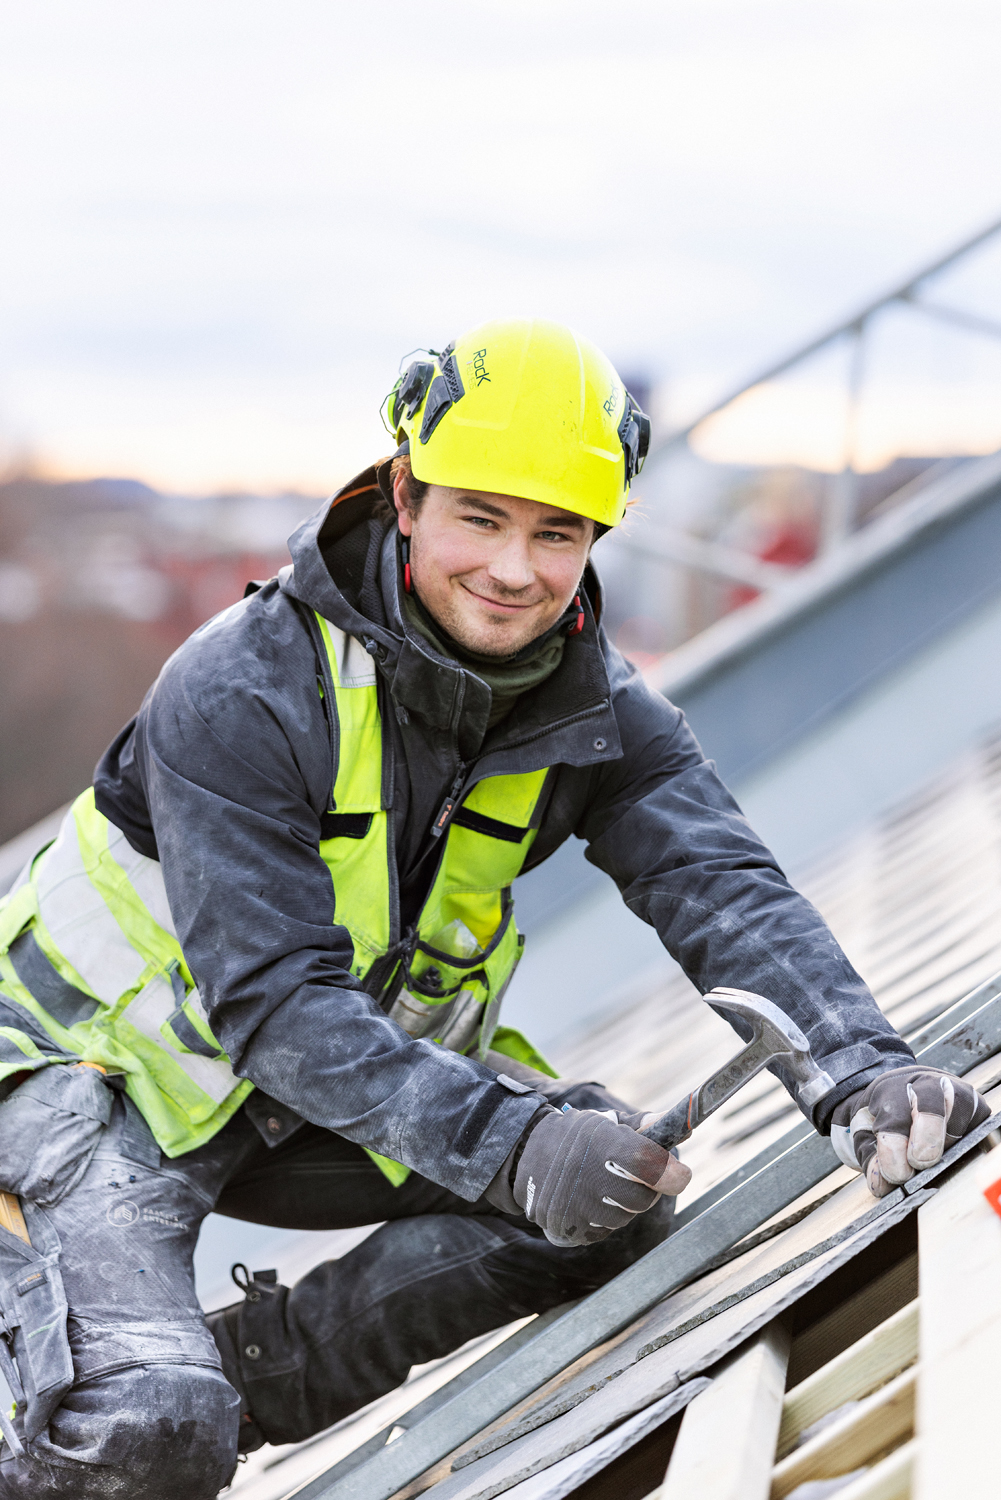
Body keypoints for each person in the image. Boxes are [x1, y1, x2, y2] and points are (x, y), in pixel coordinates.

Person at [0, 318, 987, 1498]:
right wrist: (511, 1144)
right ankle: (129, 1408)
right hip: (87, 1088)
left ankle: (222, 1392)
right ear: (405, 497)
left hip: (291, 1105)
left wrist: (859, 1069)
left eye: (555, 531)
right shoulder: (243, 688)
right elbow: (274, 1006)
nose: (514, 571)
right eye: (481, 517)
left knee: (607, 1200)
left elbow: (721, 888)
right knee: (144, 1427)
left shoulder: (596, 710)